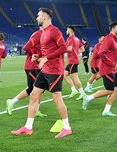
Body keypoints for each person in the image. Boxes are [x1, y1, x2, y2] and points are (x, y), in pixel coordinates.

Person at [11, 8, 72, 138]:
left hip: (55, 71)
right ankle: (28, 127)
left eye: (38, 16)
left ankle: (67, 127)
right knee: (34, 95)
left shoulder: (54, 31)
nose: (37, 18)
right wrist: (38, 56)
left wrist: (46, 58)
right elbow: (47, 51)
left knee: (57, 97)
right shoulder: (43, 32)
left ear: (44, 18)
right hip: (45, 70)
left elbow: (63, 48)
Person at [82, 21, 117, 116]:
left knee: (115, 89)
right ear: (113, 29)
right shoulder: (108, 39)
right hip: (107, 69)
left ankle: (106, 110)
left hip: (114, 69)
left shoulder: (115, 40)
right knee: (110, 90)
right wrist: (111, 63)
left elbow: (111, 54)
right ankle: (88, 97)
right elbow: (101, 53)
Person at [6, 27, 47, 117]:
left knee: (41, 88)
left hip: (38, 65)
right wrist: (33, 54)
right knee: (33, 88)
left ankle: (36, 110)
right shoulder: (38, 34)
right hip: (31, 66)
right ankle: (11, 102)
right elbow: (26, 47)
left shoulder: (45, 35)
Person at [64, 26, 86, 100]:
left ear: (70, 30)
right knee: (65, 75)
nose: (66, 31)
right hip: (73, 60)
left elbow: (69, 49)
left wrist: (60, 50)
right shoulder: (77, 39)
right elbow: (82, 49)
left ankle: (82, 93)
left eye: (67, 30)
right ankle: (73, 90)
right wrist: (76, 52)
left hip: (72, 61)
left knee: (75, 77)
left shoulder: (70, 38)